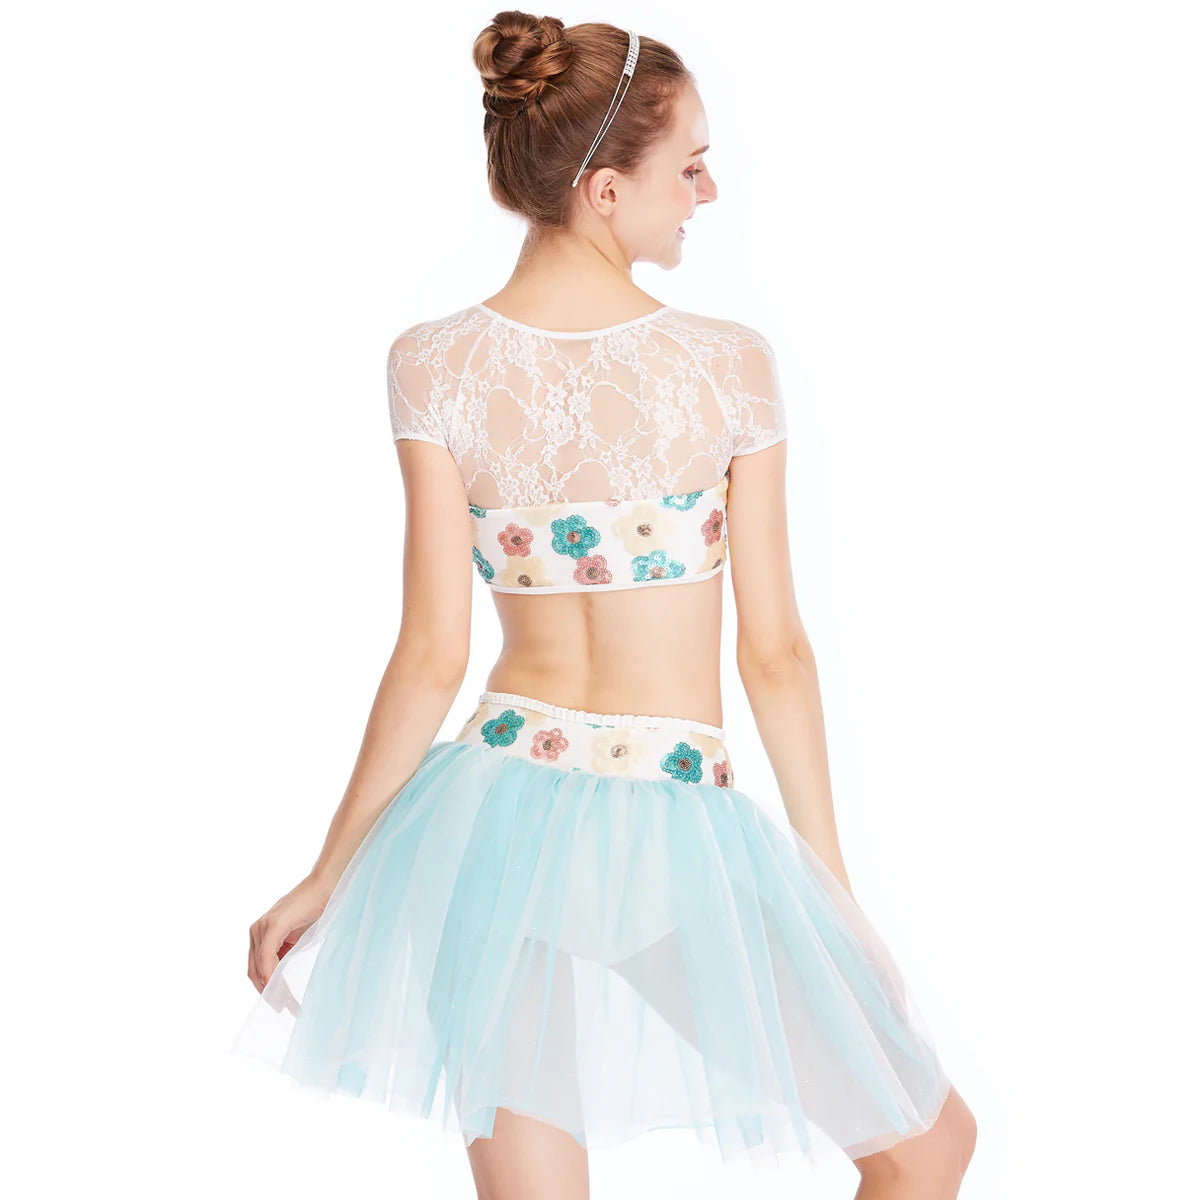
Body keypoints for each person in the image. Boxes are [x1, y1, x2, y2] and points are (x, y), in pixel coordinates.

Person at [231, 13, 978, 1198]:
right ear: (606, 189)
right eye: (691, 167)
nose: (708, 191)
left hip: (485, 820)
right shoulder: (726, 365)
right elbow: (775, 655)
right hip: (668, 827)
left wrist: (332, 872)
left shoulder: (432, 362)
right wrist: (830, 885)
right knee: (928, 1146)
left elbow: (431, 654)